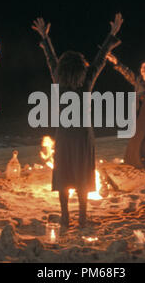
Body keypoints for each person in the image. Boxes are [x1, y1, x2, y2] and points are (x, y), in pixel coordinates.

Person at [32, 14, 123, 227]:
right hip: (83, 136)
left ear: (63, 68)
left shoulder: (58, 79)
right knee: (82, 176)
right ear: (82, 67)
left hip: (64, 135)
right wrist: (112, 35)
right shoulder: (87, 80)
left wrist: (45, 39)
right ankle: (82, 218)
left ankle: (65, 217)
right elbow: (100, 59)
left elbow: (51, 59)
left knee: (64, 176)